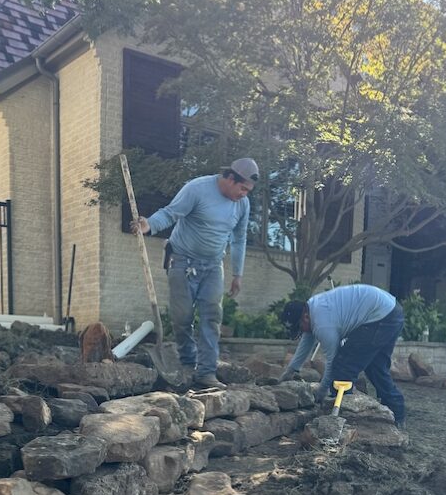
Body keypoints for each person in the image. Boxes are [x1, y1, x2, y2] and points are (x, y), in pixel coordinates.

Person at [131, 158, 259, 389]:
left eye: (248, 191)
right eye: (242, 188)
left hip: (213, 266)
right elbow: (170, 213)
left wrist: (237, 274)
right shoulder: (197, 188)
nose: (244, 194)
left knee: (212, 318)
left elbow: (239, 239)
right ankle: (188, 364)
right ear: (230, 178)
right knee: (182, 319)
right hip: (181, 262)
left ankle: (207, 372)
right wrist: (148, 225)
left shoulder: (242, 204)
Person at [278, 283, 406, 427]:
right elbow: (307, 341)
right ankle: (397, 416)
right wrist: (290, 370)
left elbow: (333, 362)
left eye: (299, 327)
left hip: (379, 316)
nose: (302, 331)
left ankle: (343, 420)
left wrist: (321, 393)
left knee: (343, 369)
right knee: (376, 368)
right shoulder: (313, 307)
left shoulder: (322, 324)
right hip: (391, 311)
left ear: (305, 317)